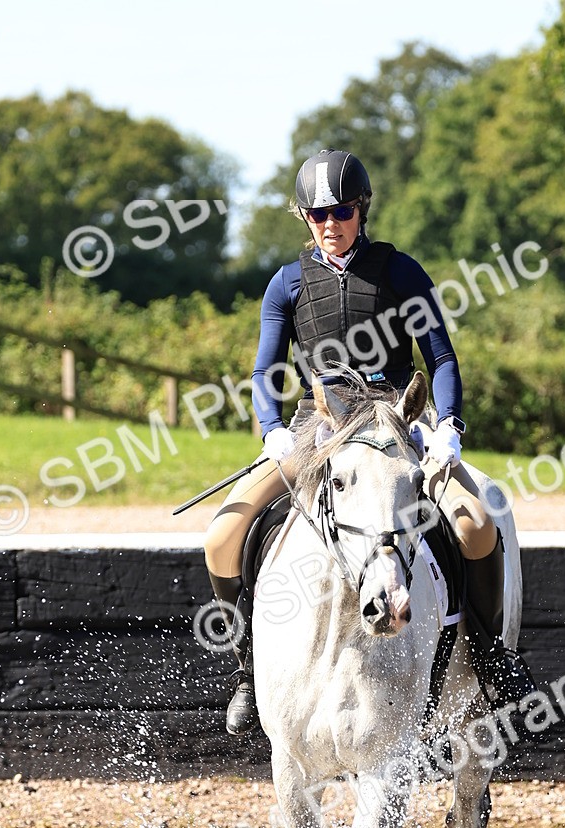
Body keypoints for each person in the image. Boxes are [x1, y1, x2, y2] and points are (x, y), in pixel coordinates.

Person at [205, 148, 522, 736]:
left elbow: (441, 358)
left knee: (477, 526)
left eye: (342, 212)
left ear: (362, 209)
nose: (331, 224)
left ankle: (487, 657)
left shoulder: (401, 272)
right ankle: (247, 670)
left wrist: (449, 427)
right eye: (318, 214)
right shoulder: (286, 284)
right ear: (305, 218)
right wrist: (272, 430)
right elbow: (264, 371)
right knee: (221, 538)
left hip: (395, 423)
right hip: (318, 428)